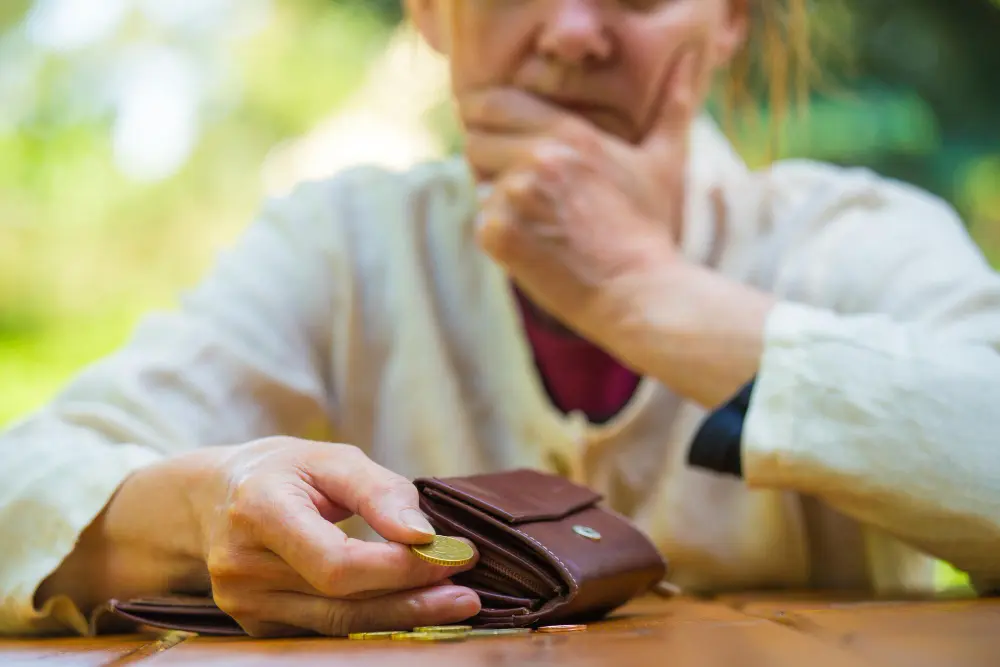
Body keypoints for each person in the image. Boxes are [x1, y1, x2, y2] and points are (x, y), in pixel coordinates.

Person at [2, 0, 1000, 638]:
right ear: (430, 12)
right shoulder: (344, 244)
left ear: (729, 20)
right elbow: (26, 476)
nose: (572, 31)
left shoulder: (855, 235)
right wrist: (204, 502)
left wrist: (636, 291)